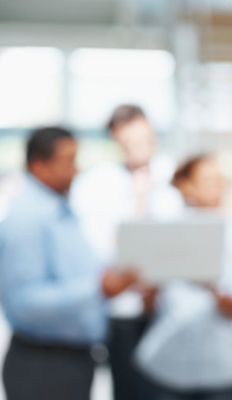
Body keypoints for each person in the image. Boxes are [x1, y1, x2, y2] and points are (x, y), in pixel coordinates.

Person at [0, 127, 139, 400]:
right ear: (40, 164)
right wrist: (97, 288)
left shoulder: (61, 211)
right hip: (42, 366)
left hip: (71, 361)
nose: (76, 171)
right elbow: (23, 302)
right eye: (68, 161)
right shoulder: (26, 219)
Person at [130, 154, 232, 400]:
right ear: (186, 185)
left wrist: (211, 286)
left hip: (220, 366)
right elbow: (148, 304)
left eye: (219, 179)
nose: (217, 186)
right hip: (166, 363)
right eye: (208, 179)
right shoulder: (165, 231)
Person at [70, 105, 183, 400]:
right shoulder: (96, 186)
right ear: (116, 140)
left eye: (146, 140)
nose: (140, 149)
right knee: (130, 389)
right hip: (123, 311)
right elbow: (98, 249)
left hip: (167, 308)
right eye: (130, 143)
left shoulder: (172, 185)